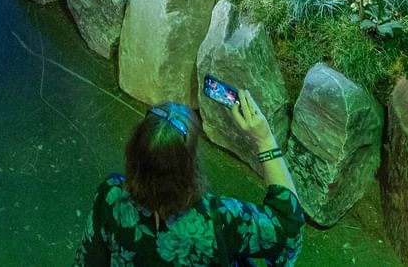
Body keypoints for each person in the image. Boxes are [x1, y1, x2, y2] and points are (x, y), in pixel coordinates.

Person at [78, 97, 303, 267]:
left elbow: (87, 261)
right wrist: (264, 140)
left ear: (133, 153)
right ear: (190, 165)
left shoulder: (111, 197)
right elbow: (289, 226)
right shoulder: (222, 220)